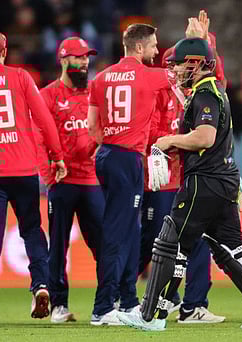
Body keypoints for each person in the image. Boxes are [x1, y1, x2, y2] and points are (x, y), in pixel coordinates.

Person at [118, 37, 242, 331]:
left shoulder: (205, 93)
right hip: (221, 181)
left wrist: (170, 140)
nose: (176, 71)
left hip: (204, 181)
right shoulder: (212, 91)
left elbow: (205, 137)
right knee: (234, 247)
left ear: (196, 63)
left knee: (169, 242)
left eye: (181, 65)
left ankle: (151, 316)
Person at [0, 29, 67, 328]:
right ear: (5, 51)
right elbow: (43, 118)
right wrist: (57, 156)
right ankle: (41, 285)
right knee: (32, 230)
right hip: (24, 170)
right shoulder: (20, 77)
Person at [139, 12, 226, 324]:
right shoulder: (160, 93)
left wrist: (205, 40)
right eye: (174, 64)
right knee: (158, 242)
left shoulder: (199, 93)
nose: (177, 70)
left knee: (196, 242)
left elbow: (217, 78)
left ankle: (190, 304)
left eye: (181, 64)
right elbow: (150, 132)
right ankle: (146, 300)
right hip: (165, 179)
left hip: (189, 177)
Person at [87, 23, 170, 326]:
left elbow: (92, 127)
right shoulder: (151, 76)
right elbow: (188, 76)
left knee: (130, 231)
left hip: (108, 154)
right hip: (127, 158)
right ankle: (103, 307)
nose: (157, 51)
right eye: (153, 46)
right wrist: (202, 41)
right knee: (117, 232)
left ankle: (128, 301)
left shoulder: (100, 78)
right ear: (138, 48)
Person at [36, 37, 102, 323]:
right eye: (79, 58)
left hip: (93, 181)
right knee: (58, 246)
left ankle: (108, 303)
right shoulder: (48, 95)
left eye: (87, 57)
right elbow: (38, 138)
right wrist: (49, 176)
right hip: (62, 183)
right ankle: (59, 306)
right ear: (63, 60)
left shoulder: (95, 93)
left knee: (103, 245)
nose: (85, 62)